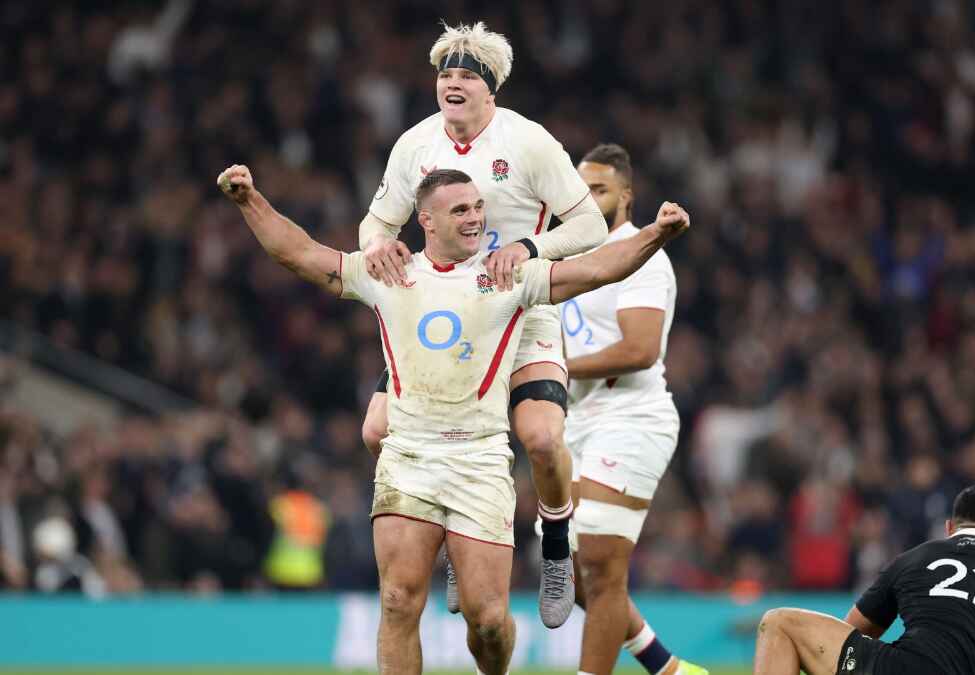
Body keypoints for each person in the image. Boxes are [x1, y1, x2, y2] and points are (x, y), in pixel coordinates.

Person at [216, 164, 688, 675]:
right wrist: (249, 201)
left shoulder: (508, 275)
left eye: (479, 208)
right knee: (397, 601)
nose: (476, 218)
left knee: (488, 621)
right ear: (426, 221)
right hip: (409, 458)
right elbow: (301, 253)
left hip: (480, 461)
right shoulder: (388, 274)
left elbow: (595, 269)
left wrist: (655, 236)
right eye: (461, 210)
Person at [358, 21, 610, 626]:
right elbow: (377, 223)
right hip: (442, 316)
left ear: (490, 89)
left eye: (468, 75)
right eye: (446, 73)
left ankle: (554, 547)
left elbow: (591, 227)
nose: (454, 83)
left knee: (544, 438)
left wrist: (528, 247)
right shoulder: (415, 145)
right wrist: (376, 248)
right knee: (375, 432)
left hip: (520, 313)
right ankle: (452, 530)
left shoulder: (529, 143)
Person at [559, 144, 704, 675]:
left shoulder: (640, 254)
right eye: (581, 190)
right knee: (567, 574)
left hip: (630, 417)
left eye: (599, 190)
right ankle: (667, 669)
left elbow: (640, 349)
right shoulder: (569, 258)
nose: (588, 199)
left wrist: (561, 368)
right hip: (577, 423)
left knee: (601, 570)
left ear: (626, 195)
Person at [753, 485, 975, 675]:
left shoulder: (914, 558)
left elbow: (853, 632)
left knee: (778, 623)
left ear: (949, 527)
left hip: (900, 668)